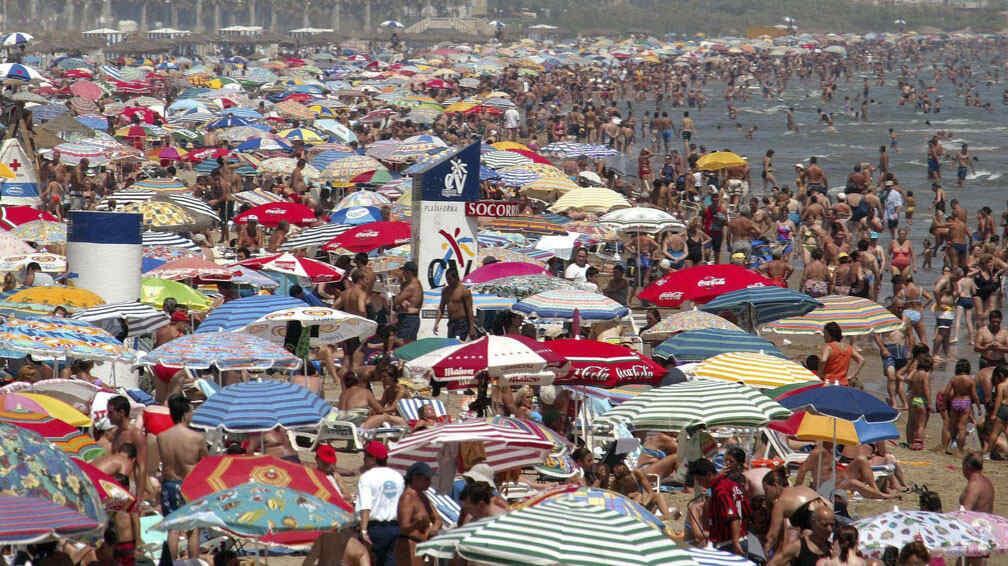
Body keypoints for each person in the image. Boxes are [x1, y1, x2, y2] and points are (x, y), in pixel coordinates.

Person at [157, 394, 207, 560]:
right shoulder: (197, 438)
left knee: (173, 528)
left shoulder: (162, 437)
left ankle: (171, 563)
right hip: (189, 485)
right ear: (185, 413)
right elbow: (205, 463)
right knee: (194, 528)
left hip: (169, 484)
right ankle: (193, 563)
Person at [691, 458, 753, 558]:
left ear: (709, 475)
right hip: (744, 538)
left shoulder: (721, 491)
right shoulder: (730, 484)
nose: (699, 483)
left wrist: (735, 542)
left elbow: (734, 517)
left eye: (699, 480)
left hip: (730, 543)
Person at [356, 440, 404, 566]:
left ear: (373, 459)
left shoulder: (367, 477)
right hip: (395, 527)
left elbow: (365, 506)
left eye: (366, 456)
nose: (363, 459)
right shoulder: (398, 476)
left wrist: (364, 530)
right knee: (390, 561)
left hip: (375, 528)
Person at [393, 462, 442, 565]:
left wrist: (434, 528)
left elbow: (437, 518)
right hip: (410, 545)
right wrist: (416, 524)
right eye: (427, 479)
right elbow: (403, 528)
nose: (429, 482)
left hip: (424, 545)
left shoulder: (423, 497)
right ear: (415, 478)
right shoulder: (407, 498)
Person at [105, 396, 147, 502]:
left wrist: (139, 497)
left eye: (111, 412)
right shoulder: (116, 433)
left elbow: (141, 467)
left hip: (130, 485)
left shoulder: (135, 434)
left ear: (121, 412)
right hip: (116, 487)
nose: (107, 416)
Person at [768, 500, 834, 566]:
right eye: (824, 525)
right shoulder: (798, 547)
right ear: (813, 523)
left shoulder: (832, 548)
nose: (829, 529)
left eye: (832, 525)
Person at [942, 359, 980, 454]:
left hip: (955, 402)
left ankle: (946, 448)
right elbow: (974, 395)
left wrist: (943, 404)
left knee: (952, 426)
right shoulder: (970, 380)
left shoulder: (954, 379)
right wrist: (979, 407)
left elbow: (946, 392)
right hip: (965, 402)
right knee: (962, 427)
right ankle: (960, 450)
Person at [433, 266, 476, 341]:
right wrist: (436, 323)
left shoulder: (464, 291)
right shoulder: (445, 291)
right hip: (451, 322)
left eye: (450, 279)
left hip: (462, 323)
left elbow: (469, 310)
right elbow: (441, 308)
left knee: (459, 344)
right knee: (450, 344)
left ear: (456, 278)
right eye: (447, 279)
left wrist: (471, 327)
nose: (448, 282)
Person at [818, 322, 864, 387]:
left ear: (829, 334)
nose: (824, 336)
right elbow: (862, 360)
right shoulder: (848, 347)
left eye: (825, 333)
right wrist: (852, 375)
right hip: (843, 384)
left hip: (829, 383)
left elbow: (823, 360)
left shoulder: (828, 347)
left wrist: (819, 374)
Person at [393, 261, 422, 344]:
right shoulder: (416, 283)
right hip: (410, 318)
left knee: (402, 343)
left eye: (404, 272)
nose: (403, 274)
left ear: (409, 272)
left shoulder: (411, 286)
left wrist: (399, 299)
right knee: (410, 344)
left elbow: (396, 301)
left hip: (408, 318)